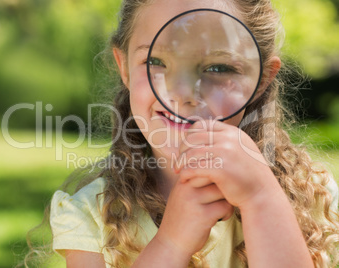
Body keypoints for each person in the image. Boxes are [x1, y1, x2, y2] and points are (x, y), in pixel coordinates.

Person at [48, 0, 339, 267]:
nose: (182, 92)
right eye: (156, 62)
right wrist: (172, 243)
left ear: (260, 79)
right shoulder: (91, 216)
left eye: (217, 67)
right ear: (124, 67)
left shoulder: (308, 193)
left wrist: (261, 198)